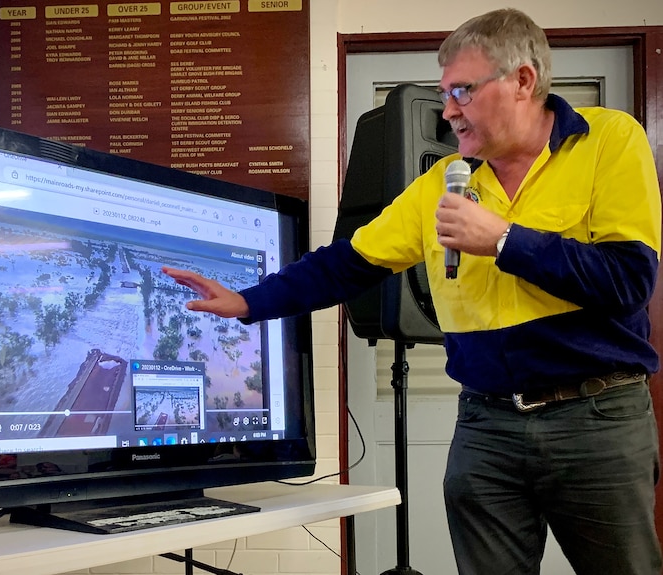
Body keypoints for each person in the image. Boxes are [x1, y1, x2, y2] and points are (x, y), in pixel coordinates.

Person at [162, 8, 662, 575]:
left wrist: (504, 240)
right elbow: (346, 264)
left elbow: (627, 281)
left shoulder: (609, 140)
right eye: (445, 95)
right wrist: (251, 301)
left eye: (462, 92)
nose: (449, 112)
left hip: (595, 418)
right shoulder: (442, 183)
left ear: (523, 80)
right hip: (486, 425)